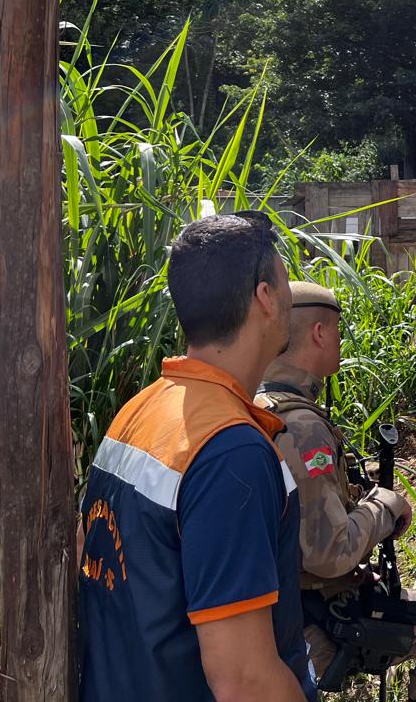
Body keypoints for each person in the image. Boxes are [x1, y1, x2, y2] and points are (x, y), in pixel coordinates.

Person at [77, 212, 314, 702]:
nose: (291, 293)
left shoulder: (139, 410)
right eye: (285, 278)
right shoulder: (232, 454)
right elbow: (244, 682)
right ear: (265, 298)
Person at [255, 282, 416, 701]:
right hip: (302, 626)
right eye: (338, 331)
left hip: (266, 614)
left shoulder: (254, 403)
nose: (341, 341)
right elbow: (329, 552)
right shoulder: (302, 428)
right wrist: (385, 504)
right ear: (319, 333)